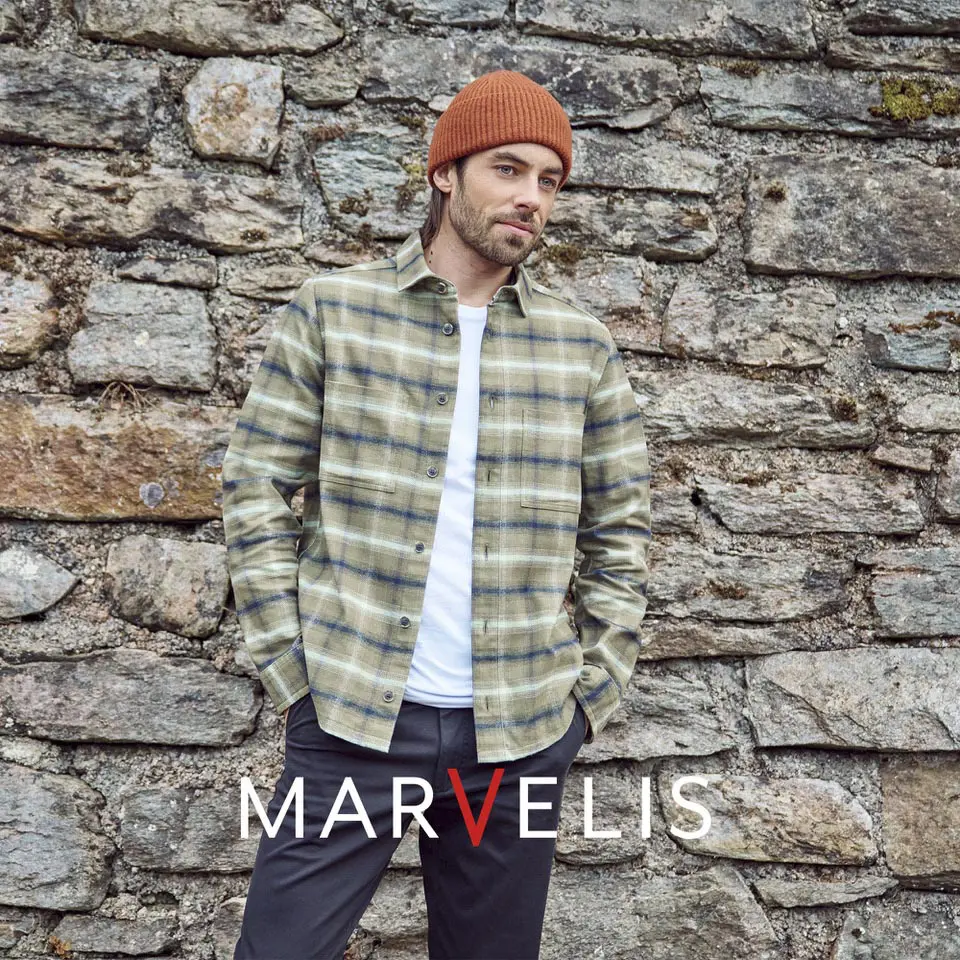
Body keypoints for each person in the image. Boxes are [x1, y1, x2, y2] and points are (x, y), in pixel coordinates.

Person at [223, 68, 652, 960]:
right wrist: (293, 675)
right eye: (508, 169)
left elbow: (620, 531)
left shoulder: (581, 349)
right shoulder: (336, 312)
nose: (531, 197)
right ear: (445, 173)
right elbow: (256, 482)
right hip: (351, 717)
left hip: (518, 735)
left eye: (549, 180)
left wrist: (587, 702)